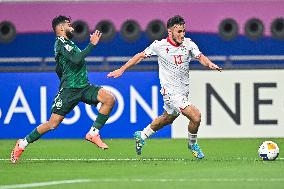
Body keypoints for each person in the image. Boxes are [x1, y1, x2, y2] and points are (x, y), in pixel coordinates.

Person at [107, 15, 222, 159]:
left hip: (182, 91)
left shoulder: (189, 44)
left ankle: (142, 135)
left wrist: (209, 63)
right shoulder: (159, 46)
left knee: (167, 119)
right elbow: (140, 56)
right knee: (196, 116)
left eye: (183, 31)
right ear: (170, 32)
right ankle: (192, 144)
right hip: (170, 92)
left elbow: (200, 57)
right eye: (179, 31)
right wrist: (122, 69)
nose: (182, 34)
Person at [10, 15, 115, 163]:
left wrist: (67, 74)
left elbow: (58, 68)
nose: (71, 26)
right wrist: (91, 45)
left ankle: (93, 133)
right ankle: (22, 143)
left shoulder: (69, 43)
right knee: (52, 124)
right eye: (68, 24)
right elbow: (77, 59)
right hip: (69, 91)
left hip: (83, 86)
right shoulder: (60, 43)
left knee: (109, 99)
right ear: (60, 28)